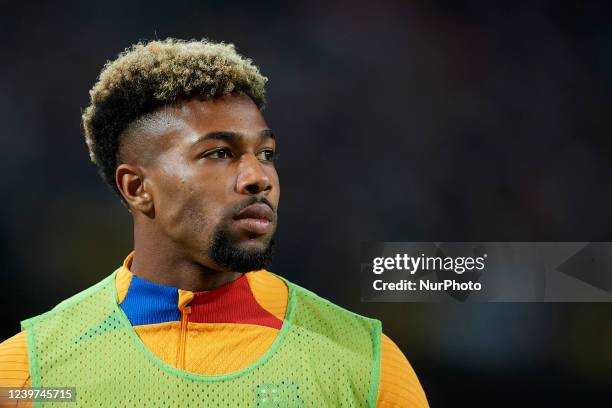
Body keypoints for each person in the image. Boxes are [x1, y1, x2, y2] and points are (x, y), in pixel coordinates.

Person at [0, 38, 429, 407]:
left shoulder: (365, 366)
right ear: (137, 188)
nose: (259, 178)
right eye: (219, 153)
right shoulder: (31, 376)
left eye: (266, 154)